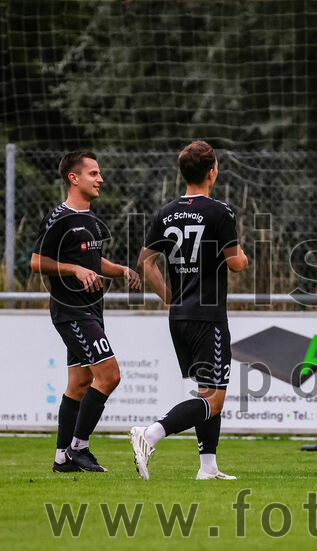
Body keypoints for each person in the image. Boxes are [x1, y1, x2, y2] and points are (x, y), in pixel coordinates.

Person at [130, 140, 248, 480]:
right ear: (213, 171)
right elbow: (235, 264)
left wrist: (170, 297)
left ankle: (208, 468)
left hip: (179, 317)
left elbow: (146, 263)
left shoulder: (164, 213)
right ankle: (150, 433)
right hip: (207, 317)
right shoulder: (219, 211)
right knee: (215, 400)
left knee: (206, 391)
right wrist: (243, 258)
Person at [32, 150, 142, 473]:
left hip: (92, 310)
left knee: (79, 384)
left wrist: (119, 269)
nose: (100, 179)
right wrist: (73, 271)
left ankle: (61, 460)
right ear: (73, 178)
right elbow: (37, 261)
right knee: (109, 375)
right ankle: (79, 447)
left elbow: (93, 263)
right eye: (93, 173)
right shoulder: (59, 217)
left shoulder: (91, 219)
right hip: (72, 312)